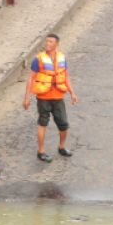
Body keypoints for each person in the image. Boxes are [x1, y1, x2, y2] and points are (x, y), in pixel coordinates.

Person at [23, 33, 79, 162]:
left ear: (56, 44)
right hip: (43, 97)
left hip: (58, 96)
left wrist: (72, 93)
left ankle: (62, 147)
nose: (47, 44)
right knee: (43, 123)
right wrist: (27, 98)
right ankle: (41, 151)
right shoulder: (39, 59)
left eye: (50, 42)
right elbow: (31, 78)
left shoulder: (62, 58)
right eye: (46, 41)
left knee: (63, 124)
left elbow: (66, 76)